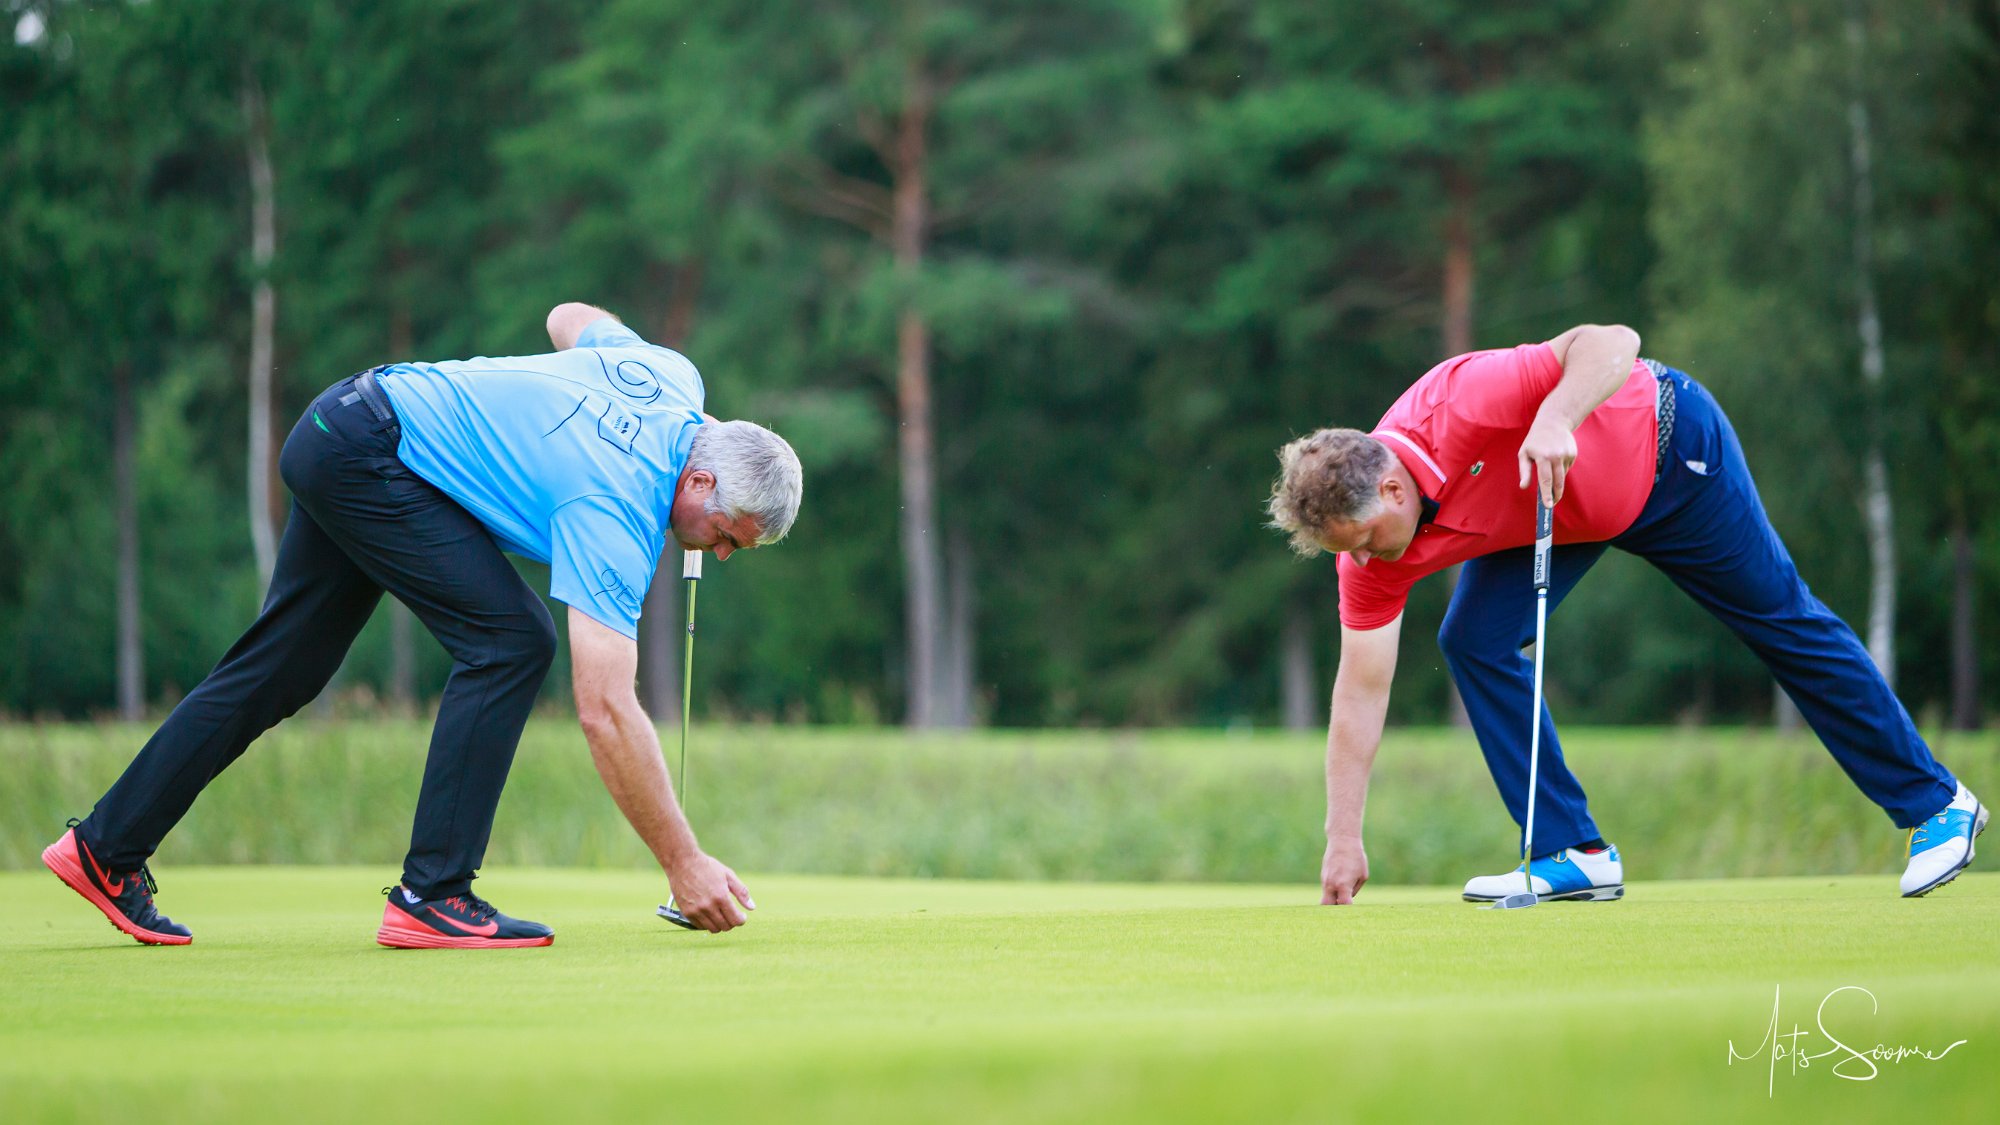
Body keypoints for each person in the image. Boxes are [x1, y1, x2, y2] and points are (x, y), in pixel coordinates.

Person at [41, 302, 801, 947]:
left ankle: (104, 847)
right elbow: (605, 709)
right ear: (699, 477)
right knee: (512, 642)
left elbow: (569, 317)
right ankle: (433, 895)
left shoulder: (674, 378)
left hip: (339, 424)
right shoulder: (617, 510)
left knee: (280, 669)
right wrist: (685, 861)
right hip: (371, 455)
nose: (723, 553)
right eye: (728, 532)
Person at [1266, 324, 1985, 905]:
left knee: (1781, 621)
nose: (1360, 561)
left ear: (1392, 488)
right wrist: (1342, 836)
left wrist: (1555, 415)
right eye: (1342, 549)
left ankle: (1937, 805)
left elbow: (1613, 340)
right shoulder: (1366, 555)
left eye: (1361, 540)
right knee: (1473, 640)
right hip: (1567, 512)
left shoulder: (1459, 400)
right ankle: (1570, 850)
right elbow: (1360, 690)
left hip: (1671, 453)